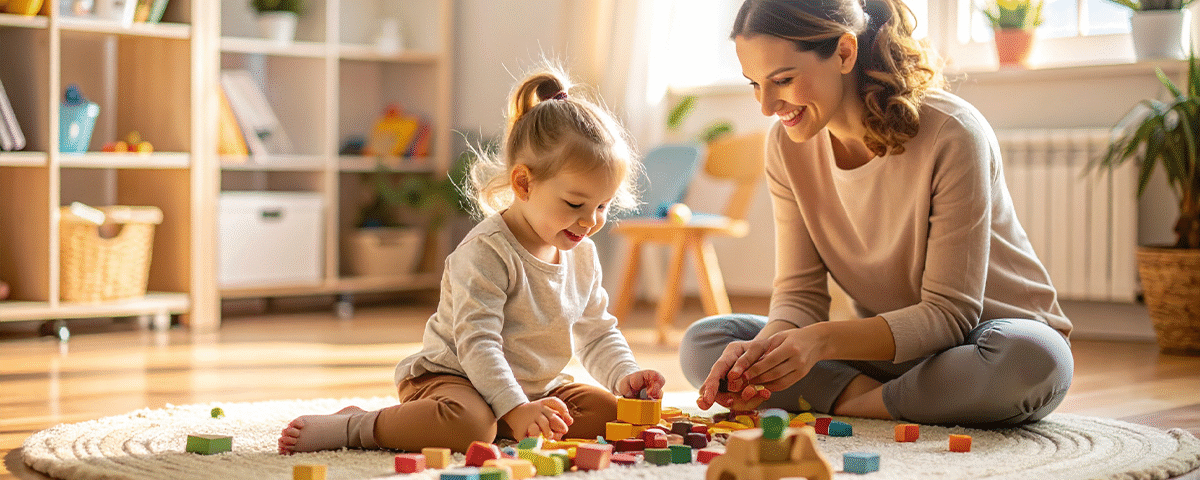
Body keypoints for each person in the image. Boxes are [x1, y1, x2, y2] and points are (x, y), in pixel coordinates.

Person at [680, 0, 1073, 427]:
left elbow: (949, 316)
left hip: (982, 344)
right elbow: (799, 298)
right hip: (890, 354)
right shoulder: (786, 146)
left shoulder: (953, 133)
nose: (768, 105)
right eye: (755, 84)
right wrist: (760, 354)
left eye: (783, 80)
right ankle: (889, 402)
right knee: (708, 344)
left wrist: (820, 342)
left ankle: (848, 403)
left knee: (1034, 360)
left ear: (844, 53)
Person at [279, 65, 665, 454]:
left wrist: (626, 376)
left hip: (535, 386)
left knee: (612, 414)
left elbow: (596, 332)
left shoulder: (581, 254)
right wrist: (514, 407)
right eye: (575, 203)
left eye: (603, 205)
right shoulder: (486, 251)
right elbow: (477, 344)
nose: (590, 221)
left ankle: (508, 424)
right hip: (455, 378)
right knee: (470, 425)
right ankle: (357, 424)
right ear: (523, 183)